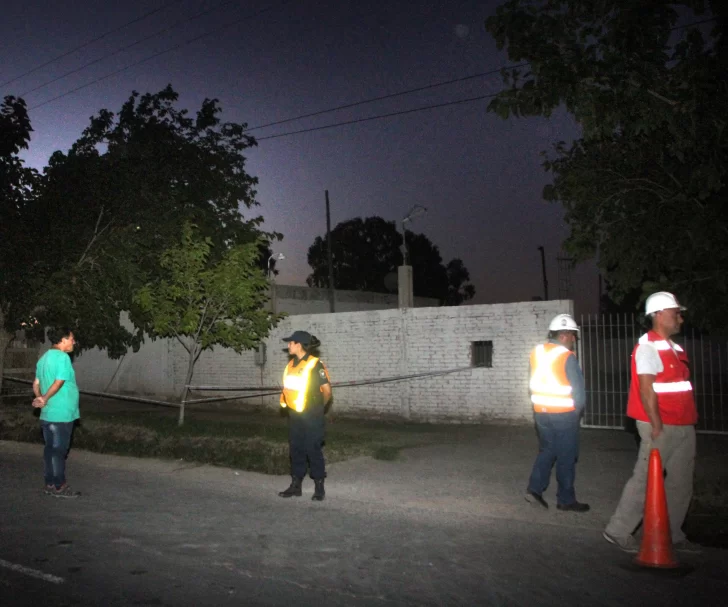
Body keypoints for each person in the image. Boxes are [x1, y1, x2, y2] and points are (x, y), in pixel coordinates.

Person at [603, 292, 700, 553]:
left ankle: (672, 533)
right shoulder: (647, 346)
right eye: (674, 312)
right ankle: (619, 529)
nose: (679, 318)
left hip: (683, 423)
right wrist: (656, 424)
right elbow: (646, 388)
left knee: (681, 483)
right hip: (660, 424)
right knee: (646, 479)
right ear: (658, 314)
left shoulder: (676, 348)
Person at [525, 313, 589, 512]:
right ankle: (566, 500)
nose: (574, 340)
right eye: (573, 336)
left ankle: (534, 489)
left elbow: (532, 381)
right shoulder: (566, 356)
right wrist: (576, 413)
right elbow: (578, 392)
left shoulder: (536, 352)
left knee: (548, 450)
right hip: (563, 414)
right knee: (566, 456)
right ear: (564, 335)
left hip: (541, 413)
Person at [277, 330, 332, 501]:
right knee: (296, 449)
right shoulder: (290, 366)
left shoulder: (315, 364)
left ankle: (319, 486)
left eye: (291, 343)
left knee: (312, 448)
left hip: (312, 413)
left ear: (299, 344)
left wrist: (317, 408)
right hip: (295, 414)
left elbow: (327, 391)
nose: (288, 345)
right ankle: (296, 485)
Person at [32, 327, 81, 498]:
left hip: (48, 413)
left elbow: (36, 383)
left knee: (50, 450)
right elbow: (59, 381)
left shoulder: (43, 358)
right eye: (71, 338)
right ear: (63, 339)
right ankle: (60, 486)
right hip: (61, 413)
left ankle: (50, 484)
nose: (73, 342)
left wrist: (40, 398)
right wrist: (44, 398)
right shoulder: (62, 357)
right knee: (59, 451)